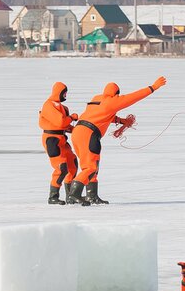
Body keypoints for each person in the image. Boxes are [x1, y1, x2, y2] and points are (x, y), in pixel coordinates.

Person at [67, 77, 166, 206]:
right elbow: (133, 97)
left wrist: (122, 121)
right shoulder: (112, 101)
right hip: (89, 134)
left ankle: (92, 196)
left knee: (90, 166)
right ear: (116, 94)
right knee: (90, 167)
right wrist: (153, 87)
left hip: (78, 132)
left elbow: (106, 114)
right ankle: (74, 194)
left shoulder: (97, 99)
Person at [38, 82, 79, 205]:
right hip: (52, 140)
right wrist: (72, 117)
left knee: (72, 164)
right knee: (61, 168)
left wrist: (78, 130)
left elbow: (65, 126)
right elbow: (60, 122)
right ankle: (53, 197)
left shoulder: (63, 107)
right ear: (59, 92)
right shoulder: (48, 105)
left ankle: (70, 195)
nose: (66, 95)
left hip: (62, 139)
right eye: (64, 93)